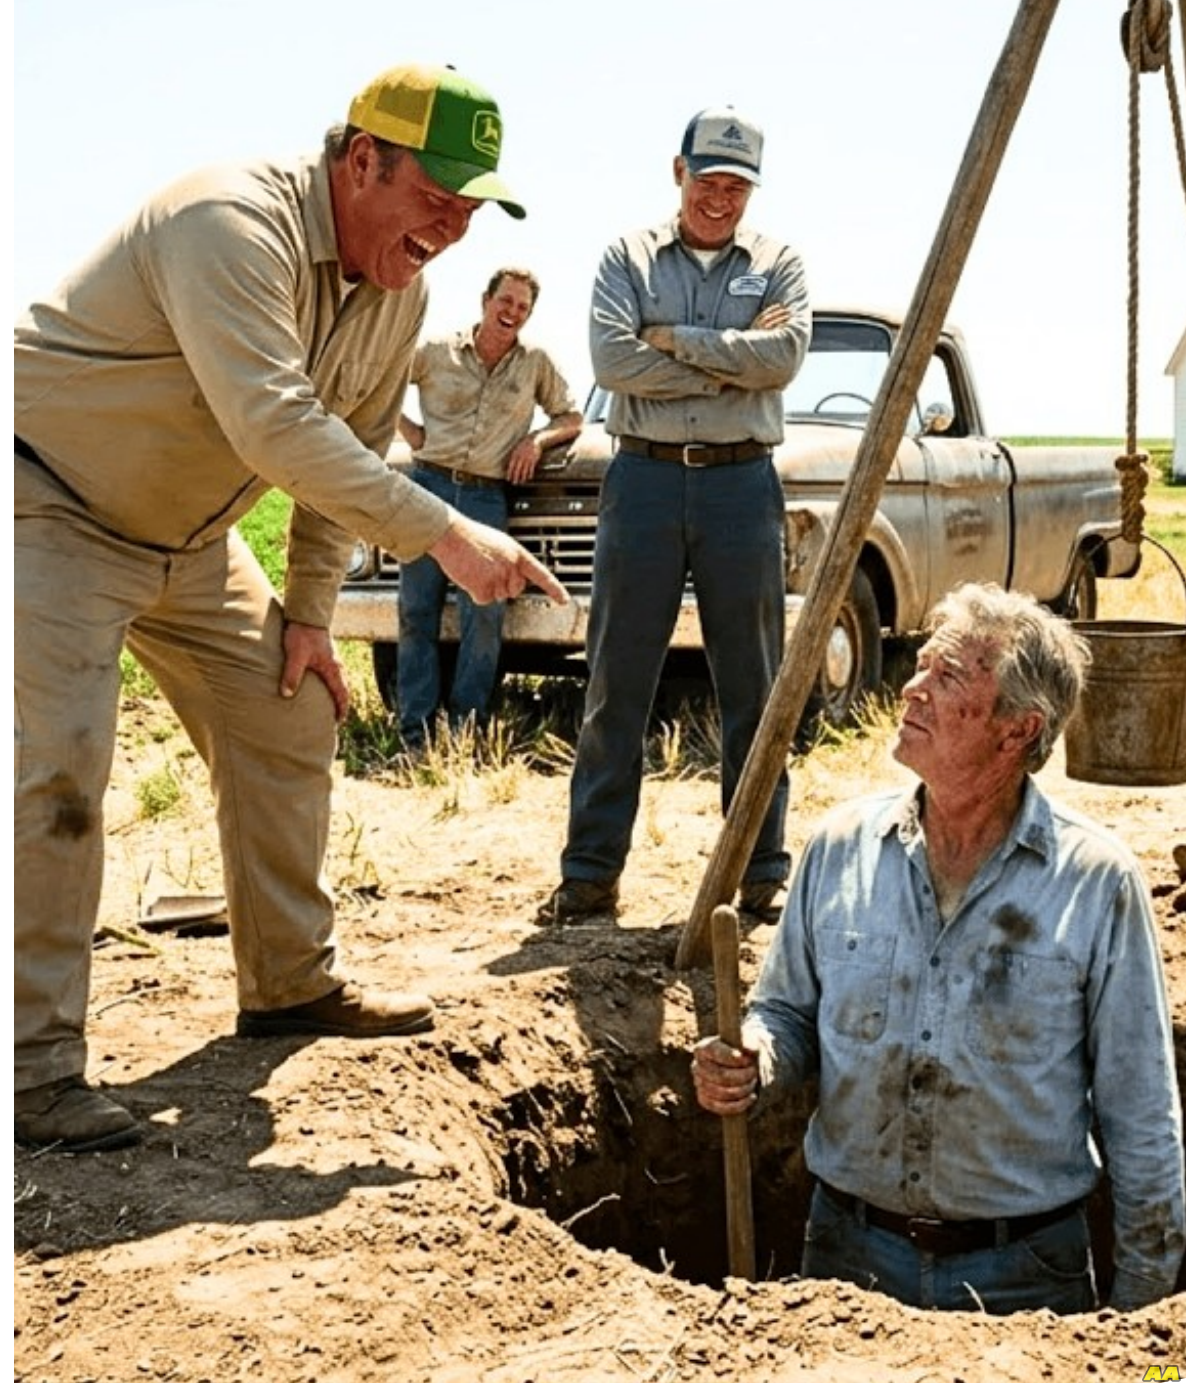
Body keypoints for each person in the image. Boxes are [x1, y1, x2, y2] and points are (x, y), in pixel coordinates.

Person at [14, 62, 568, 1154]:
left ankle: (287, 984)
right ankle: (30, 1071)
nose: (449, 234)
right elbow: (276, 425)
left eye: (469, 213)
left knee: (290, 706)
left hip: (189, 537)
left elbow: (349, 455)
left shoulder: (397, 295)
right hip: (53, 503)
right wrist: (445, 533)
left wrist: (311, 613)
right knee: (65, 763)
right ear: (362, 160)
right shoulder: (227, 223)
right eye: (435, 202)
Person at [693, 583, 1185, 1315]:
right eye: (921, 665)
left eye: (947, 676)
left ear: (1020, 729)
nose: (910, 689)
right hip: (843, 1267)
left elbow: (1140, 1116)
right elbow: (787, 1014)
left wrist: (1143, 1320)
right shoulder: (838, 849)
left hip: (1023, 1285)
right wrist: (754, 1057)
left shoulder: (1094, 882)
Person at [539, 105, 811, 926]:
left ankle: (760, 870)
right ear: (678, 173)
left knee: (753, 687)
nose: (720, 199)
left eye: (737, 185)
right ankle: (590, 875)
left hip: (741, 487)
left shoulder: (780, 263)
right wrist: (731, 364)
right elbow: (611, 360)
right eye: (708, 180)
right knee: (617, 680)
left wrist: (673, 342)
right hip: (644, 483)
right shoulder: (626, 257)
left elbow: (786, 358)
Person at [394, 268, 582, 747]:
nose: (511, 312)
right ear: (485, 300)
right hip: (427, 487)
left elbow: (572, 415)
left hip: (485, 497)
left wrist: (537, 441)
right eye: (506, 301)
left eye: (522, 307)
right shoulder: (437, 349)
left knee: (484, 615)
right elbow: (383, 379)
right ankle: (414, 732)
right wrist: (412, 435)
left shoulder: (535, 361)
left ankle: (466, 732)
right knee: (417, 611)